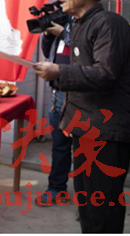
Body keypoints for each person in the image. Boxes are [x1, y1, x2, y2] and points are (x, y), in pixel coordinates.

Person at [34, 0, 130, 233]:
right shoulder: (80, 25)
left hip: (107, 129)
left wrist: (59, 72)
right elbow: (81, 76)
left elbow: (105, 74)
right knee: (86, 200)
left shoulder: (109, 23)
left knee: (102, 204)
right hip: (86, 126)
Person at [36, 15, 74, 207]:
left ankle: (89, 202)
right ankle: (57, 188)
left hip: (82, 94)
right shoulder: (64, 22)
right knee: (60, 145)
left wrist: (64, 33)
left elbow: (86, 51)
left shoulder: (90, 22)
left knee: (86, 149)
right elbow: (47, 52)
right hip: (58, 93)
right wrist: (48, 34)